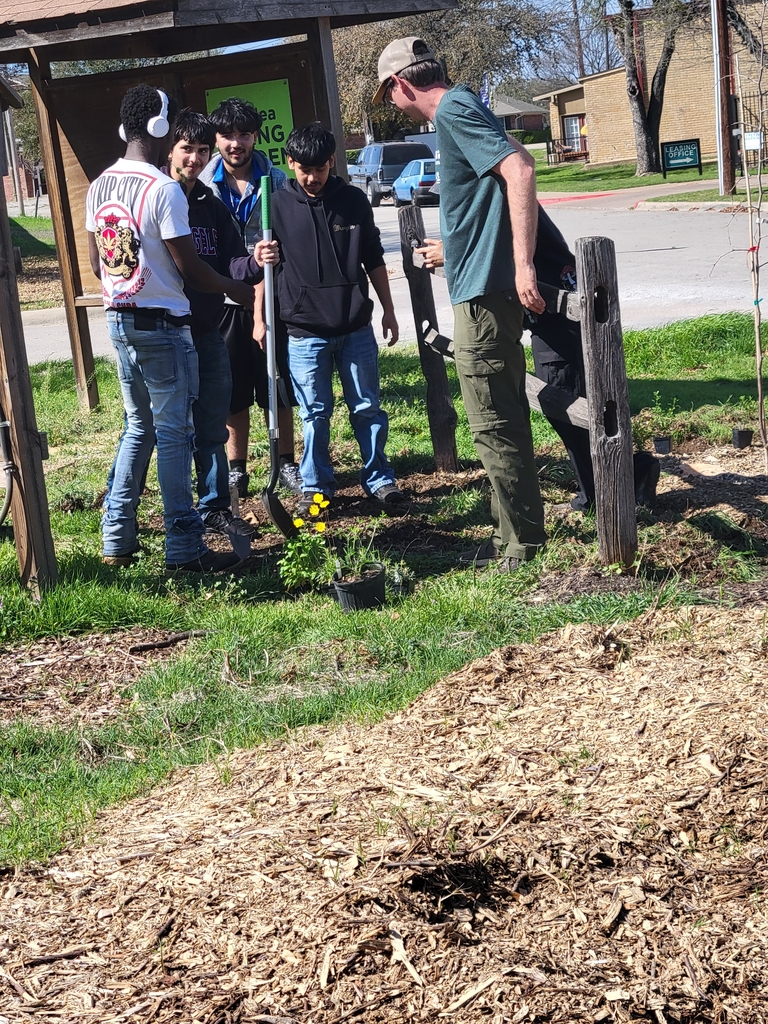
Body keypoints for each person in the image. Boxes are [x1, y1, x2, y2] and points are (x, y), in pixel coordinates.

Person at [374, 37, 547, 573]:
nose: (393, 108)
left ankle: (521, 545)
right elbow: (487, 195)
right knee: (499, 415)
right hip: (477, 284)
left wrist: (522, 265)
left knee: (492, 420)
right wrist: (455, 247)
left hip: (485, 296)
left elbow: (518, 170)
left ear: (401, 84)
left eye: (389, 98)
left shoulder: (452, 108)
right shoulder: (461, 108)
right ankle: (510, 536)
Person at [86, 84, 254, 573]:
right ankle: (184, 546)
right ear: (161, 129)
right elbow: (192, 270)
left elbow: (100, 264)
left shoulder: (99, 185)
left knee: (138, 427)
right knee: (175, 434)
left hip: (119, 320)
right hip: (164, 326)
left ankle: (117, 533)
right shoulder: (161, 190)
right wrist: (233, 288)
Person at [417, 206, 661, 512]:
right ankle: (614, 482)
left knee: (569, 408)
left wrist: (453, 255)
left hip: (557, 313)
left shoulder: (502, 199)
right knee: (568, 405)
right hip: (548, 309)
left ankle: (611, 488)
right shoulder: (500, 198)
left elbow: (496, 253)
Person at [271, 123, 403, 514]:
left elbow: (374, 257)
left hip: (355, 327)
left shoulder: (353, 201)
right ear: (290, 162)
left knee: (367, 407)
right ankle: (316, 486)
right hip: (304, 330)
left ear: (332, 162)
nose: (312, 178)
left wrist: (389, 310)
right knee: (314, 412)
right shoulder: (275, 206)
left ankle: (379, 479)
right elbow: (260, 265)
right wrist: (262, 318)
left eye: (320, 169)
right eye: (303, 169)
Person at [166, 108, 277, 539]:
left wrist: (253, 262)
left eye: (200, 150)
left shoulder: (209, 204)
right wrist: (242, 294)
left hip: (207, 328)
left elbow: (230, 260)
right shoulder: (159, 195)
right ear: (170, 150)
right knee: (166, 429)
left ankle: (213, 506)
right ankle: (158, 513)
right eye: (185, 149)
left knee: (213, 420)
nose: (193, 158)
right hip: (167, 330)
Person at [199, 98, 302, 499]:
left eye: (244, 134)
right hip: (223, 303)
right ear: (217, 139)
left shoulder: (276, 182)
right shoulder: (202, 185)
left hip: (274, 300)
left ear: (256, 136)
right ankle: (237, 469)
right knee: (232, 390)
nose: (235, 143)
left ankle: (287, 463)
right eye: (227, 135)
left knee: (277, 385)